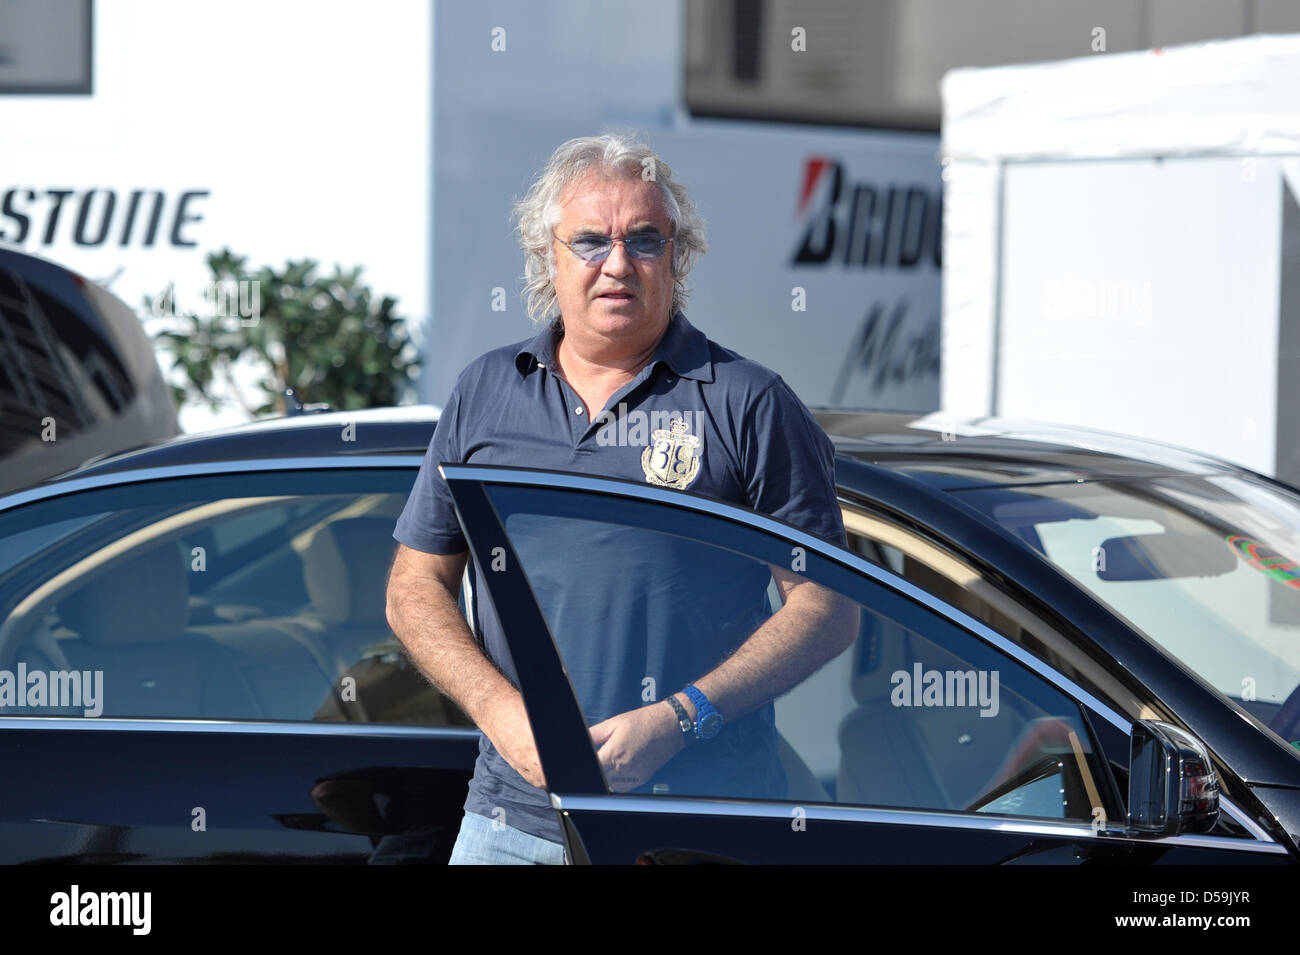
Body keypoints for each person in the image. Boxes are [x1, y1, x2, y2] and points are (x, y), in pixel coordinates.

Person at [386, 132, 854, 865]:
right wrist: (502, 713)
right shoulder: (485, 391)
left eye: (644, 239)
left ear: (677, 255)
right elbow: (414, 585)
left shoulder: (748, 402)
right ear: (549, 255)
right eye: (590, 241)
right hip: (511, 826)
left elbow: (827, 606)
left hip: (702, 826)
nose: (618, 263)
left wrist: (682, 718)